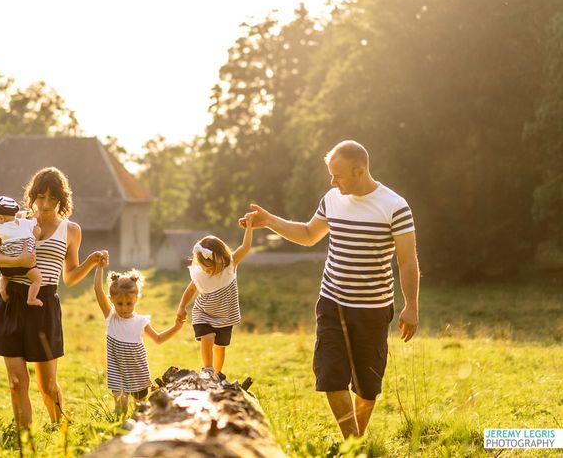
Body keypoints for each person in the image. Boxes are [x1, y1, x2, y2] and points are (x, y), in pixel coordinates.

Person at [241, 140, 419, 439]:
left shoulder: (395, 206)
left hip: (373, 310)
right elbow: (310, 234)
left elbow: (407, 260)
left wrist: (411, 305)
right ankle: (352, 444)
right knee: (330, 375)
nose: (332, 181)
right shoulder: (333, 198)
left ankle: (355, 442)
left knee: (367, 385)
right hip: (332, 302)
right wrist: (270, 221)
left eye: (338, 175)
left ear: (360, 170)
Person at [0, 166, 107, 429]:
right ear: (32, 196)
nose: (46, 204)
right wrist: (13, 262)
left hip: (44, 304)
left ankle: (60, 429)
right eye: (40, 197)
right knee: (17, 383)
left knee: (48, 386)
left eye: (53, 198)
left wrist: (91, 261)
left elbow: (70, 276)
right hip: (11, 303)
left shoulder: (71, 230)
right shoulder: (17, 221)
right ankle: (24, 441)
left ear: (62, 199)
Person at [92, 260, 185, 413]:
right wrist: (100, 267)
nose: (124, 308)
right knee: (120, 408)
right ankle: (118, 431)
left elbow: (158, 339)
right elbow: (98, 290)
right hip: (118, 372)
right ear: (112, 300)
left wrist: (176, 327)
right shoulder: (111, 317)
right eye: (119, 304)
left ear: (136, 299)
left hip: (138, 373)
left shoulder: (141, 322)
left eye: (129, 303)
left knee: (139, 409)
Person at [175, 221, 254, 379]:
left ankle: (216, 375)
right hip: (203, 313)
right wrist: (182, 306)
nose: (208, 271)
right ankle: (208, 369)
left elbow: (245, 247)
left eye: (211, 267)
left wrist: (250, 227)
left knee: (220, 347)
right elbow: (191, 290)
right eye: (205, 267)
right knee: (207, 337)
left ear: (222, 258)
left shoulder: (230, 266)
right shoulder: (200, 274)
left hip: (225, 317)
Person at [0, 195, 44, 307]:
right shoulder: (25, 223)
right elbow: (37, 230)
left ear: (1, 218)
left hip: (8, 266)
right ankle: (31, 298)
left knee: (4, 277)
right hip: (27, 265)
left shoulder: (0, 228)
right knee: (37, 279)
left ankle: (2, 290)